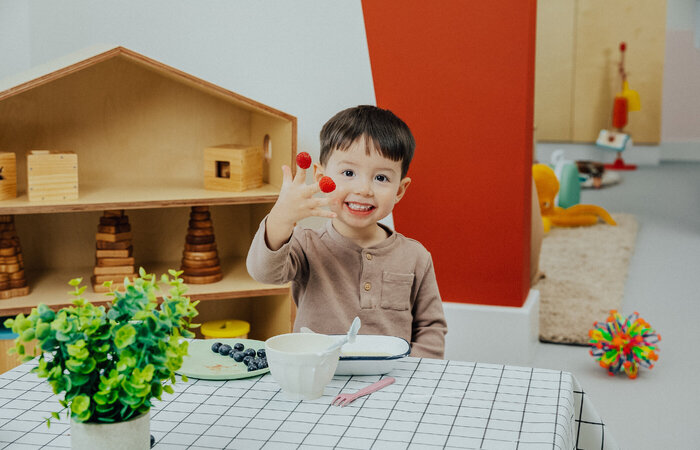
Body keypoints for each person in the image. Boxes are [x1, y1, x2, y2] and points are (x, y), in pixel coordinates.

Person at [246, 105, 447, 358]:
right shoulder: (305, 244)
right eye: (349, 173)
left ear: (399, 190)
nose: (364, 189)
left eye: (381, 178)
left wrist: (415, 374)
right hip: (319, 376)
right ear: (321, 177)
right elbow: (263, 272)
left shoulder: (416, 256)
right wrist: (281, 217)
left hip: (390, 380)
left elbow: (430, 327)